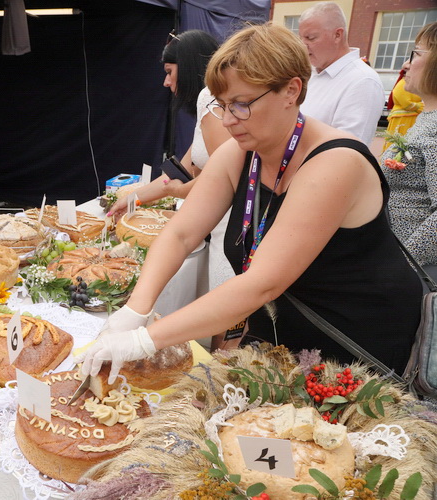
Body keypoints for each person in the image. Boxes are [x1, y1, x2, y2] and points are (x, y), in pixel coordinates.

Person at [79, 23, 422, 385]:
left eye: (242, 105)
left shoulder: (335, 163)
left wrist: (144, 339)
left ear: (291, 90)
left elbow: (261, 283)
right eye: (222, 105)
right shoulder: (241, 152)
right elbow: (181, 234)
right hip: (282, 334)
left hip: (356, 344)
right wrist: (136, 309)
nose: (228, 121)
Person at [108, 30, 234, 291]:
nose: (166, 82)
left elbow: (223, 179)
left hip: (227, 227)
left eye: (169, 71)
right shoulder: (209, 104)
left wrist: (181, 191)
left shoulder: (208, 99)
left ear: (188, 68)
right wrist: (132, 199)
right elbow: (177, 173)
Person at [380, 22, 437, 268]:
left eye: (415, 54)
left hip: (416, 273)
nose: (405, 65)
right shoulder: (427, 118)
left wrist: (403, 266)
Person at [297, 2, 384, 146]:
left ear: (337, 35)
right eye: (300, 38)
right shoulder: (309, 72)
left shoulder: (363, 81)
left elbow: (348, 148)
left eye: (310, 38)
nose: (302, 45)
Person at [383, 63, 423, 151]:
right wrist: (421, 106)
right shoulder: (403, 84)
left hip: (411, 118)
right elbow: (406, 103)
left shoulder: (414, 84)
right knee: (398, 144)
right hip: (402, 119)